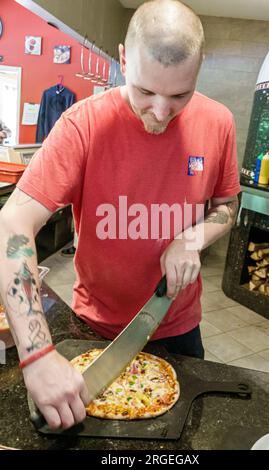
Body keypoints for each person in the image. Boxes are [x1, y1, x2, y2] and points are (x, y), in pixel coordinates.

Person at [0, 0, 240, 431]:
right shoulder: (82, 126)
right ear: (124, 59)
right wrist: (36, 355)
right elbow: (11, 224)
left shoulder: (219, 123)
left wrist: (192, 239)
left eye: (180, 95)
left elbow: (228, 206)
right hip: (93, 326)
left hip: (180, 327)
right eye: (146, 92)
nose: (162, 112)